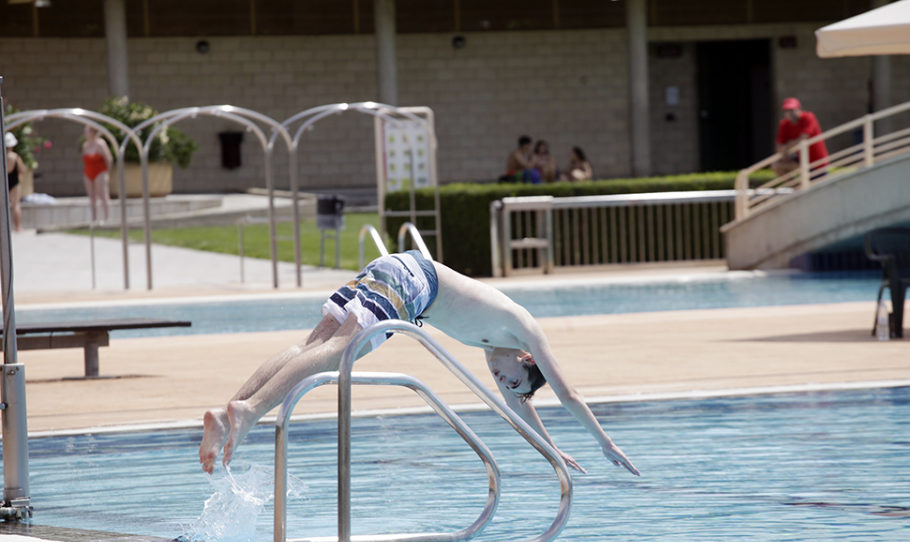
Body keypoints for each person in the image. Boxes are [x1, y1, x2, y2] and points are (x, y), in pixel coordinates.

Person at [199, 250, 640, 477]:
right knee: (343, 351)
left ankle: (230, 411)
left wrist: (550, 449)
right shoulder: (524, 326)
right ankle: (252, 411)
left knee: (312, 345)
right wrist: (602, 441)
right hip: (414, 282)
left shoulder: (495, 348)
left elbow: (518, 407)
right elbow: (568, 394)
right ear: (527, 359)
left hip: (396, 268)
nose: (498, 378)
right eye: (509, 376)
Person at [773, 97, 828, 178]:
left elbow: (803, 138)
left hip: (817, 162)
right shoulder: (784, 124)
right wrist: (784, 153)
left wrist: (786, 146)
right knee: (777, 165)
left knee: (817, 188)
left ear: (799, 109)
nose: (790, 113)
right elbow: (779, 146)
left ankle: (799, 187)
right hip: (801, 160)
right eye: (787, 111)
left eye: (792, 110)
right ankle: (794, 186)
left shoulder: (808, 117)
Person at [81, 126, 112, 222]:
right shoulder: (85, 145)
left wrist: (107, 173)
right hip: (88, 172)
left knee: (102, 195)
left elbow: (109, 159)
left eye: (87, 131)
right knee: (92, 196)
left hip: (100, 171)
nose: (85, 134)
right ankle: (94, 219)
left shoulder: (101, 144)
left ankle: (107, 218)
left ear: (93, 132)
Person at [5, 132, 25, 232]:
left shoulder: (2, 157)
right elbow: (22, 170)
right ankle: (18, 227)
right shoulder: (15, 157)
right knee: (16, 205)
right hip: (14, 182)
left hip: (4, 183)